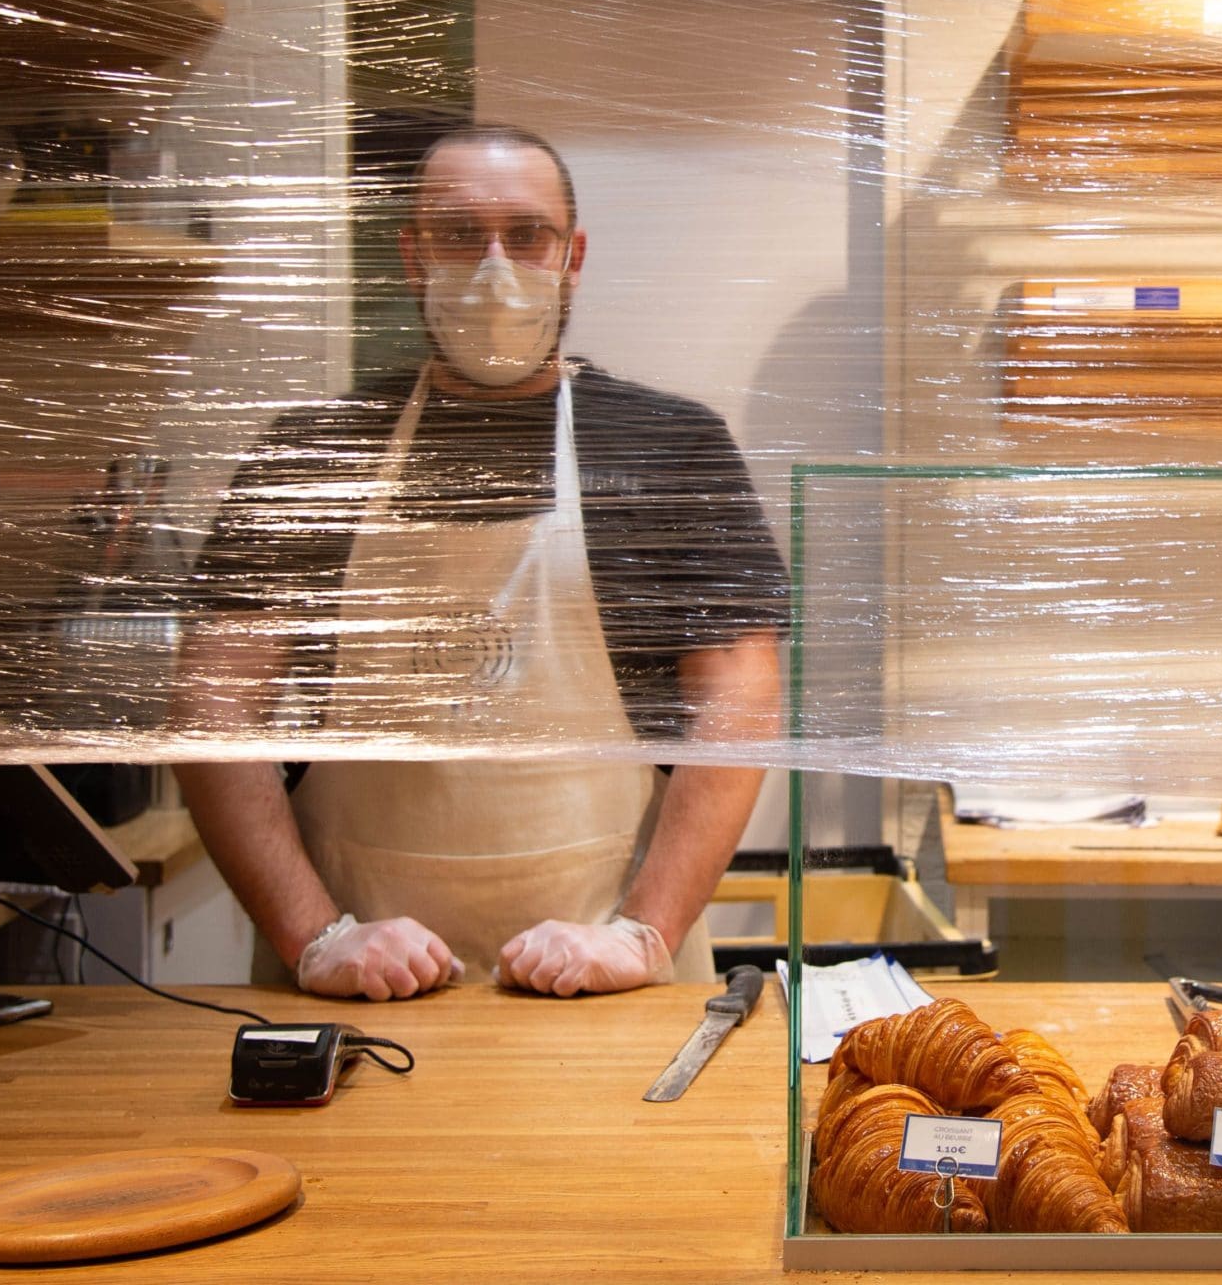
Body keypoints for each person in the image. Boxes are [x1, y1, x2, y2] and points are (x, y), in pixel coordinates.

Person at [172, 126, 783, 1000]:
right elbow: (212, 704)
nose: (495, 268)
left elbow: (740, 697)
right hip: (356, 989)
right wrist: (315, 936)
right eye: (461, 235)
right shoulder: (313, 456)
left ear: (572, 258)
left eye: (526, 235)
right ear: (414, 258)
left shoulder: (670, 448)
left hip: (609, 975)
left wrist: (644, 932)